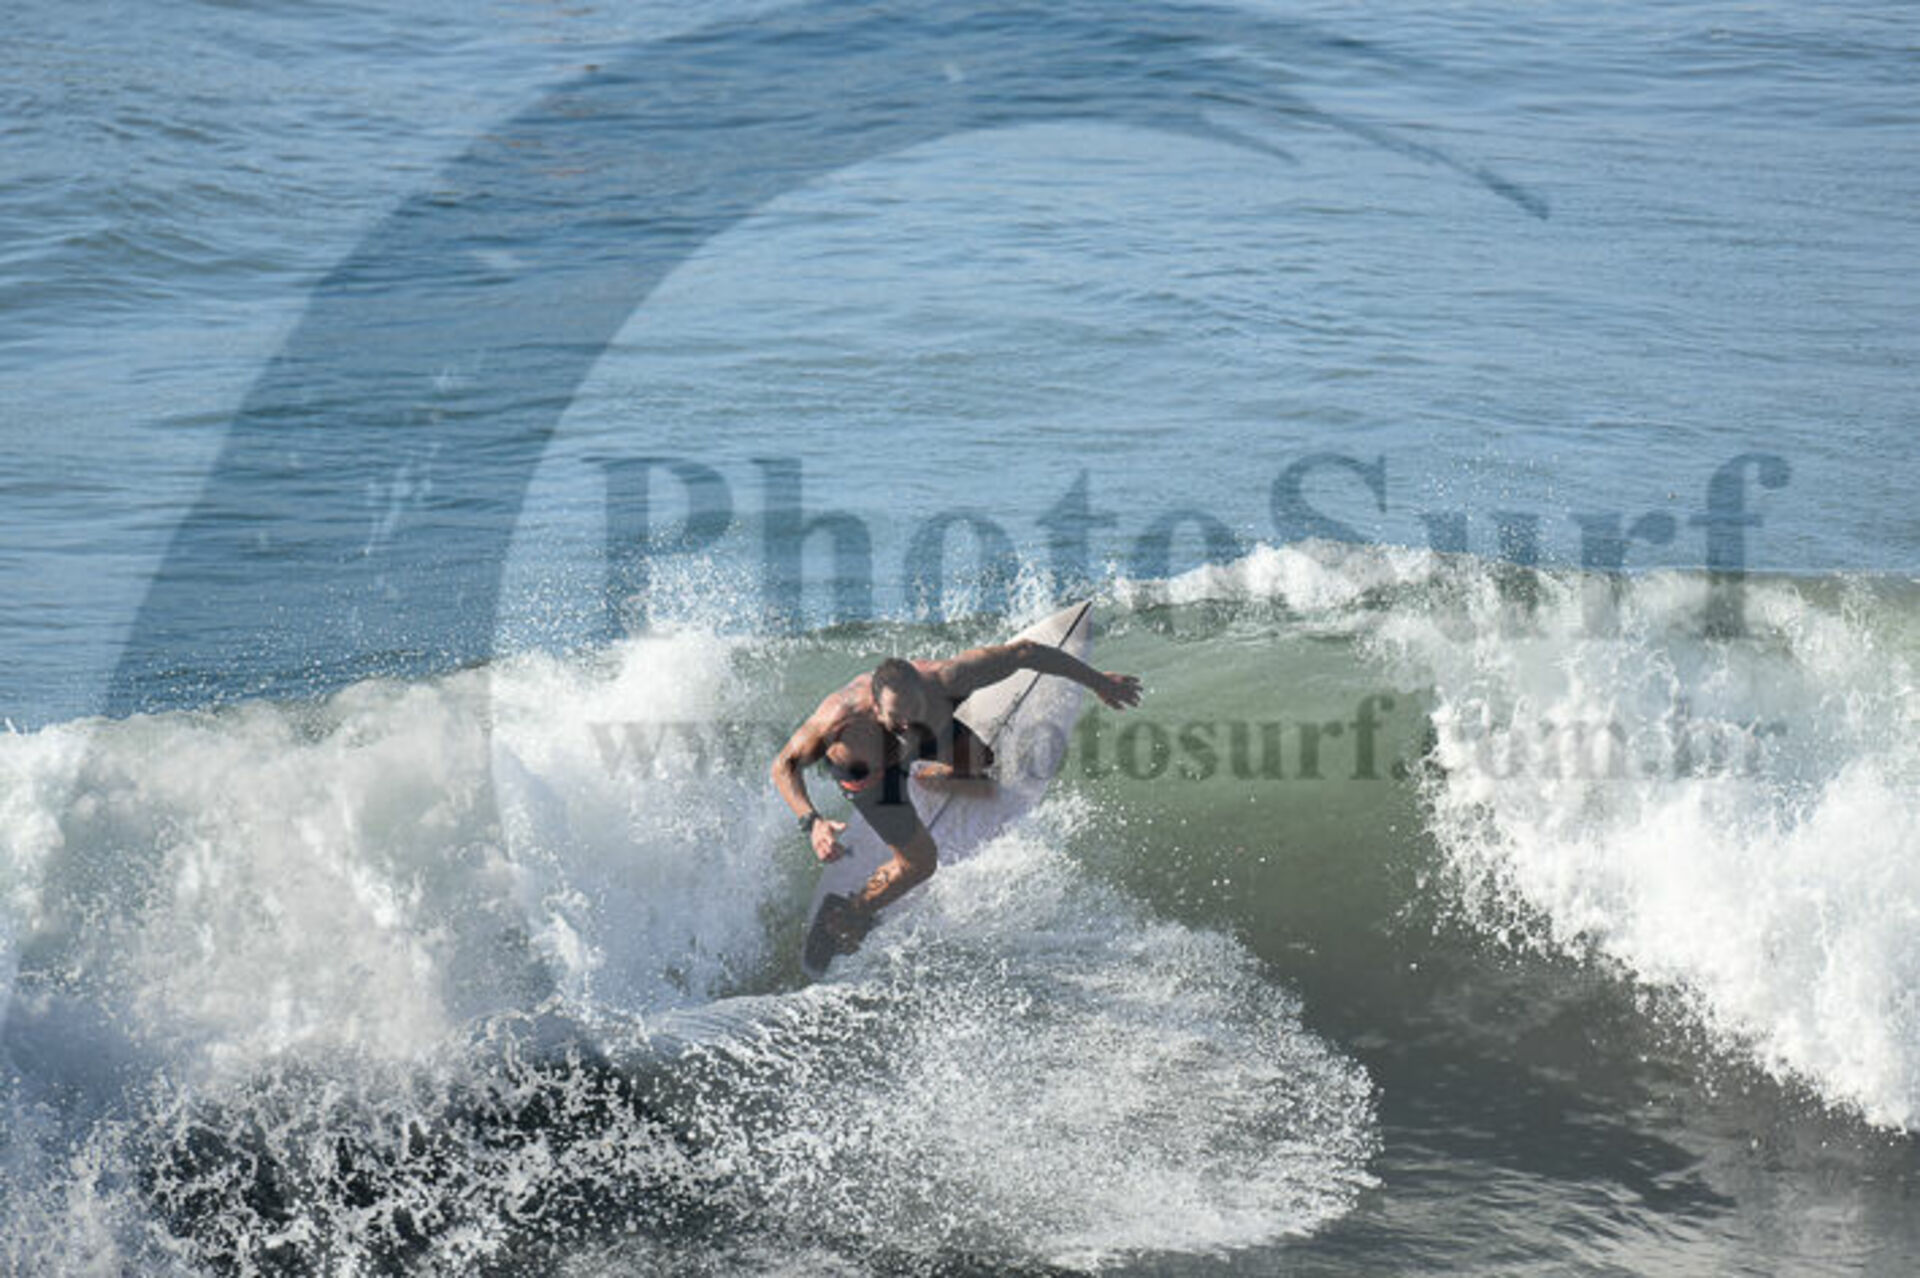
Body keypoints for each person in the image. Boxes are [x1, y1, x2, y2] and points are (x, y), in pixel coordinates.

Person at [771, 637, 1143, 954]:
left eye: (914, 712)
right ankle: (853, 911)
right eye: (896, 718)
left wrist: (1099, 682)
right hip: (871, 776)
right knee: (920, 863)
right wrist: (812, 822)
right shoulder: (840, 717)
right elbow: (784, 766)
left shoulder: (947, 679)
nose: (906, 725)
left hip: (928, 739)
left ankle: (934, 776)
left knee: (982, 761)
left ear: (924, 689)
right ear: (875, 706)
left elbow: (1025, 653)